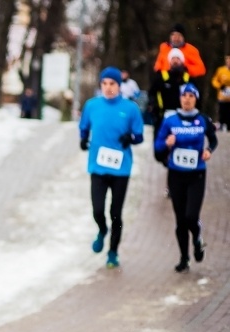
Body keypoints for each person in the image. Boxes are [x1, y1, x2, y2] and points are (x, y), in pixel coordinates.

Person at [79, 67, 144, 269]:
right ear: (101, 85)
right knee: (98, 209)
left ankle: (113, 251)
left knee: (116, 212)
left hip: (120, 169)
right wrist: (83, 140)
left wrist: (130, 138)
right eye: (105, 84)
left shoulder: (130, 108)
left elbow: (139, 135)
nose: (108, 88)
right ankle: (102, 230)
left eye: (112, 84)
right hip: (97, 167)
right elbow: (84, 127)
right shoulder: (92, 106)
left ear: (119, 86)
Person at [154, 83, 218, 273]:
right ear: (180, 99)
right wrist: (166, 143)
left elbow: (213, 139)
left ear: (195, 98)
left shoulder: (202, 120)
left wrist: (208, 150)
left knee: (191, 216)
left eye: (191, 96)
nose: (187, 99)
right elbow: (157, 147)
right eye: (184, 96)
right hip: (176, 175)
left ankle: (197, 240)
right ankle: (184, 257)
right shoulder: (170, 121)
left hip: (196, 174)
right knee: (180, 220)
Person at [150, 48, 191, 162]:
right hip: (164, 116)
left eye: (178, 58)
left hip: (183, 117)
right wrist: (154, 107)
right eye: (173, 58)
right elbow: (152, 93)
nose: (175, 61)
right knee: (160, 145)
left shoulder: (187, 79)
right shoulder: (162, 78)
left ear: (182, 61)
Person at [211, 55, 230, 131]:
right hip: (222, 96)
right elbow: (214, 80)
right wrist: (220, 86)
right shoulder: (221, 70)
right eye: (228, 61)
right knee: (222, 111)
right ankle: (221, 124)